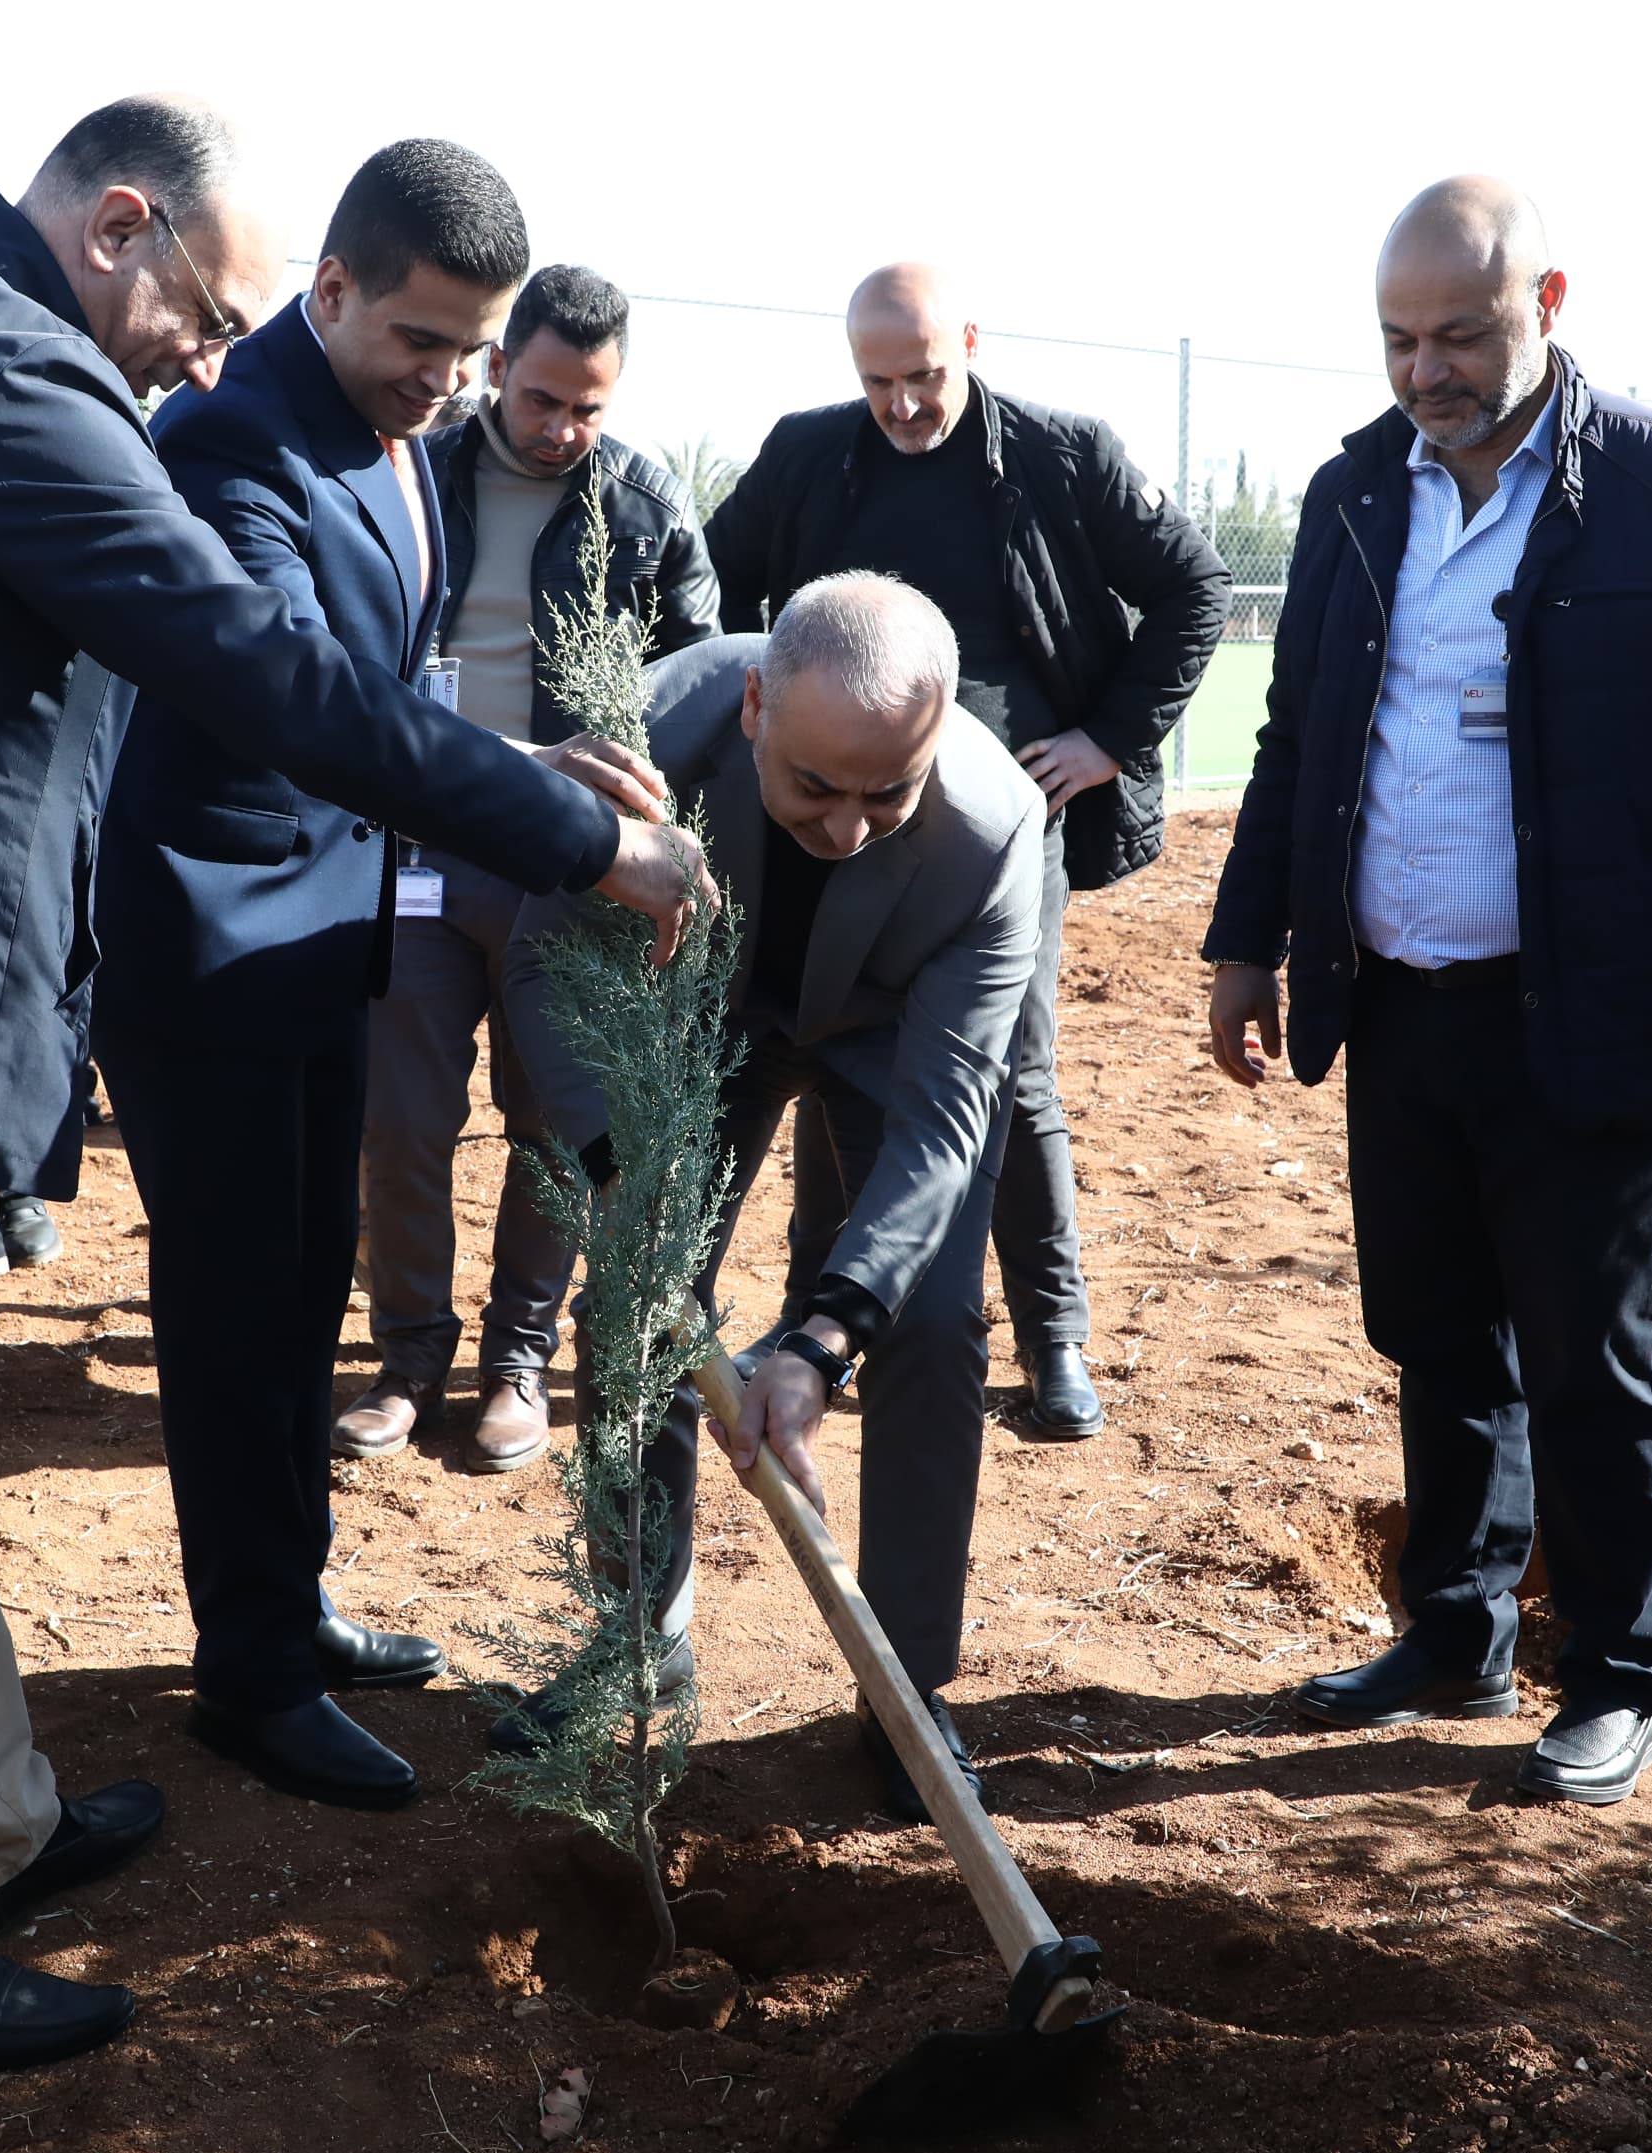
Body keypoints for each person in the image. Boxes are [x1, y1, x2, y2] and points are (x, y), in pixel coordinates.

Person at [0, 97, 703, 2073]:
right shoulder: (8, 378)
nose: (205, 357)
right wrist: (585, 839)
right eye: (208, 312)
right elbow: (258, 666)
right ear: (117, 225)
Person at [1201, 178, 1652, 1805]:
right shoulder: (1357, 494)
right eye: (1398, 340)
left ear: (1547, 302)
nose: (1426, 371)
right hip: (1397, 999)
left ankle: (1617, 1675)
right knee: (1435, 1333)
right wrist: (1246, 940)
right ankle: (1456, 1632)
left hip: (1600, 1003)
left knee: (1590, 1357)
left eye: (1461, 335)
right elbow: (1297, 738)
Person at [97, 138, 695, 1818]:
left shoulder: (390, 439)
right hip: (214, 949)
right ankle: (251, 1680)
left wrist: (536, 762)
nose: (447, 379)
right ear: (333, 287)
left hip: (324, 934)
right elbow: (306, 698)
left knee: (302, 1301)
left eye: (470, 350)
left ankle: (285, 1606)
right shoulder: (231, 441)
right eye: (420, 339)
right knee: (236, 1319)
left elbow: (396, 682)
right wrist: (578, 839)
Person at [501, 579, 1038, 1816]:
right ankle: (637, 1638)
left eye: (887, 795)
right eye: (815, 787)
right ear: (753, 706)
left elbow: (945, 1116)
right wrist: (621, 1168)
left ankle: (904, 1691)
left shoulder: (993, 824)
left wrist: (825, 1337)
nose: (848, 829)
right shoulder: (646, 737)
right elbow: (542, 959)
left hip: (893, 1026)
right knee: (633, 1303)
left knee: (934, 1320)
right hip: (699, 1015)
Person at [702, 264, 1231, 1441]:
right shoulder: (806, 456)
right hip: (842, 813)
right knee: (825, 1041)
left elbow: (1193, 586)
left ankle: (1053, 1336)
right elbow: (709, 587)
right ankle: (813, 1324)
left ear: (972, 342)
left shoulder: (1062, 457)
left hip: (1002, 827)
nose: (901, 404)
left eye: (924, 375)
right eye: (877, 381)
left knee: (1012, 1066)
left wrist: (1106, 739)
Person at [342, 262, 719, 1473]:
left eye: (588, 408)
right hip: (420, 848)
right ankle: (408, 1359)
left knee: (553, 1121)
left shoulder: (647, 508)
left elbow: (701, 684)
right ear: (499, 366)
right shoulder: (412, 469)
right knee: (402, 1119)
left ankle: (516, 1359)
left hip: (577, 870)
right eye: (543, 397)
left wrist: (657, 838)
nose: (562, 427)